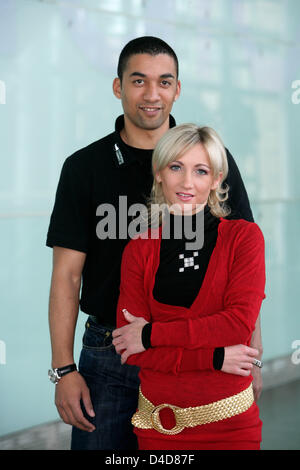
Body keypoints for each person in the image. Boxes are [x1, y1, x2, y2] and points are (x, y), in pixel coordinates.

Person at [46, 36, 262, 451]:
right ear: (118, 87)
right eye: (138, 81)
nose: (152, 94)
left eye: (165, 82)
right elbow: (66, 276)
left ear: (177, 89)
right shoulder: (83, 168)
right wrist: (63, 369)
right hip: (109, 353)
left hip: (203, 351)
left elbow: (244, 272)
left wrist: (250, 353)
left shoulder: (214, 160)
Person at [114, 124, 265, 450]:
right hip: (157, 427)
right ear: (159, 174)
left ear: (216, 179)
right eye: (176, 167)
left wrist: (151, 335)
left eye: (200, 170)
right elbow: (130, 350)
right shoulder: (138, 249)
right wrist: (213, 357)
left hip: (231, 428)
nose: (186, 182)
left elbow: (237, 326)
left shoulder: (244, 239)